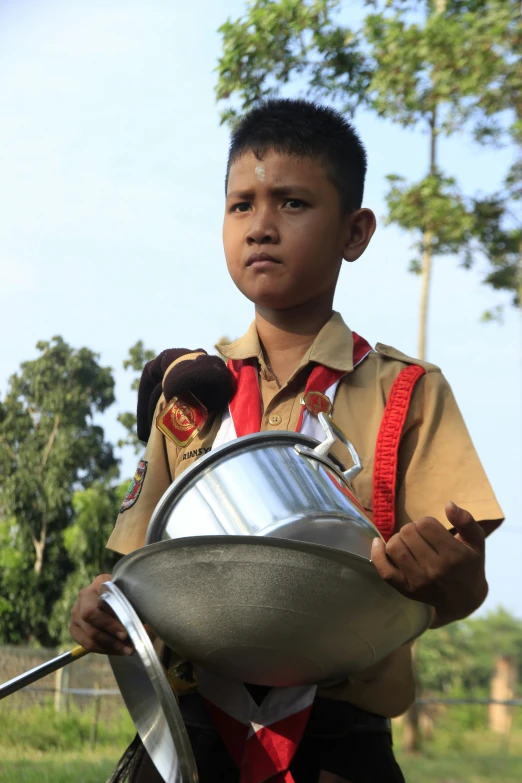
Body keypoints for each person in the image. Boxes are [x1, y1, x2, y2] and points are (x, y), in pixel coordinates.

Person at [70, 99, 504, 783]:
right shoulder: (187, 391)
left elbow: (456, 579)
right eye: (240, 204)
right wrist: (100, 607)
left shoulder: (409, 392)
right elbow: (139, 569)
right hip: (191, 744)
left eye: (293, 202)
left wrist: (460, 578)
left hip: (340, 745)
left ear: (354, 232)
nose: (261, 226)